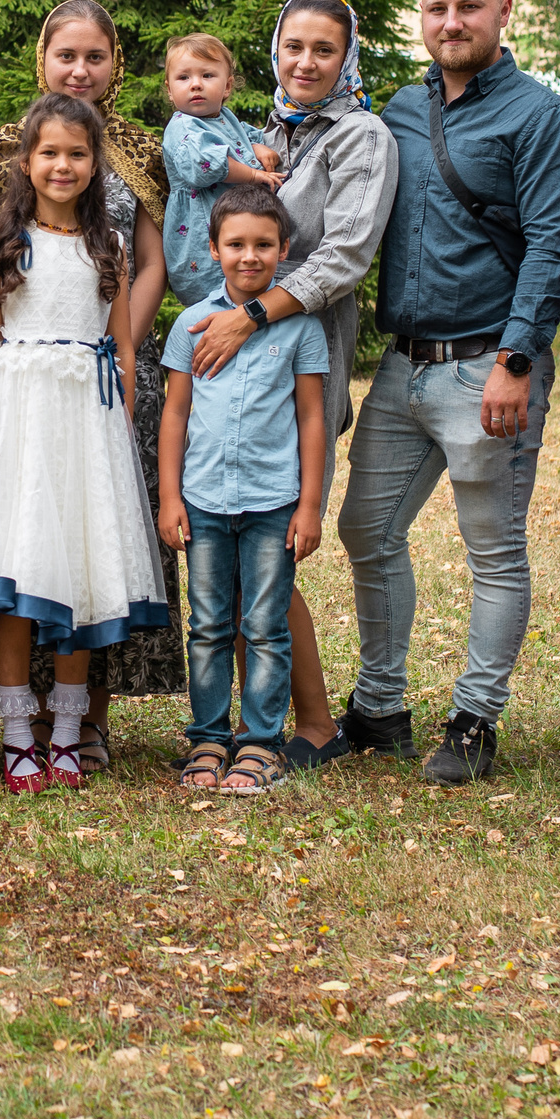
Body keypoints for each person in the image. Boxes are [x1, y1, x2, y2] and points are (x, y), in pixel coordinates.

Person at [335, 0, 560, 787]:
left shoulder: (539, 117)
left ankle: (476, 720)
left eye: (469, 7)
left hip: (490, 364)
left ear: (504, 11)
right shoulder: (400, 111)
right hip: (403, 370)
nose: (452, 22)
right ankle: (380, 707)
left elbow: (556, 245)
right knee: (365, 531)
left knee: (495, 553)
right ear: (420, 15)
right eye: (437, 7)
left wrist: (518, 359)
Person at [0, 0, 180, 764]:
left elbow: (149, 257)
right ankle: (21, 724)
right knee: (32, 535)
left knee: (102, 541)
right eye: (66, 54)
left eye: (95, 56)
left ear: (115, 63)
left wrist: (112, 338)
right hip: (28, 372)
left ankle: (86, 718)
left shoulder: (139, 148)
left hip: (106, 361)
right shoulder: (10, 146)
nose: (80, 69)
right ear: (43, 59)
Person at [157, 184, 340, 794]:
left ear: (284, 249)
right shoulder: (192, 323)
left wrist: (310, 506)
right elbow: (175, 414)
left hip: (272, 502)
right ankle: (209, 739)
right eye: (235, 244)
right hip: (204, 501)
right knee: (208, 625)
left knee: (264, 625)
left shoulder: (300, 329)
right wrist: (169, 498)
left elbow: (312, 416)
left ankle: (260, 743)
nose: (249, 256)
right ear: (213, 249)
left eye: (264, 244)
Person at [181, 0, 396, 455]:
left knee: (294, 488)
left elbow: (343, 256)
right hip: (235, 324)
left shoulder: (362, 134)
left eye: (325, 50)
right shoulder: (266, 131)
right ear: (277, 48)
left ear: (347, 58)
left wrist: (251, 315)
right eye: (294, 47)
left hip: (306, 332)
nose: (306, 63)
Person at [156, 32, 281, 307]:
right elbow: (204, 166)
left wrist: (257, 147)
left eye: (207, 76)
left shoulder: (223, 117)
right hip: (202, 232)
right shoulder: (182, 126)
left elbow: (244, 135)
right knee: (214, 299)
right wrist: (254, 174)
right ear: (169, 89)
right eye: (183, 78)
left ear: (227, 87)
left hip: (236, 230)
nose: (195, 85)